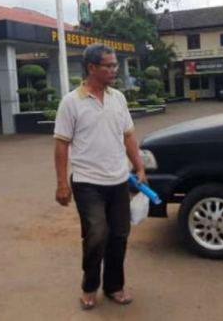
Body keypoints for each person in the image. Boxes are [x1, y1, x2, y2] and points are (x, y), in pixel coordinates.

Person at [53, 44, 147, 310]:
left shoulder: (118, 98)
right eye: (109, 66)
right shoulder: (71, 102)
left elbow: (128, 136)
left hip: (118, 180)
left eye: (115, 65)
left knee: (119, 234)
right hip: (87, 182)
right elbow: (61, 145)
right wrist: (61, 184)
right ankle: (89, 285)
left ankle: (114, 286)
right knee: (96, 234)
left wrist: (139, 168)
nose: (114, 70)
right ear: (92, 68)